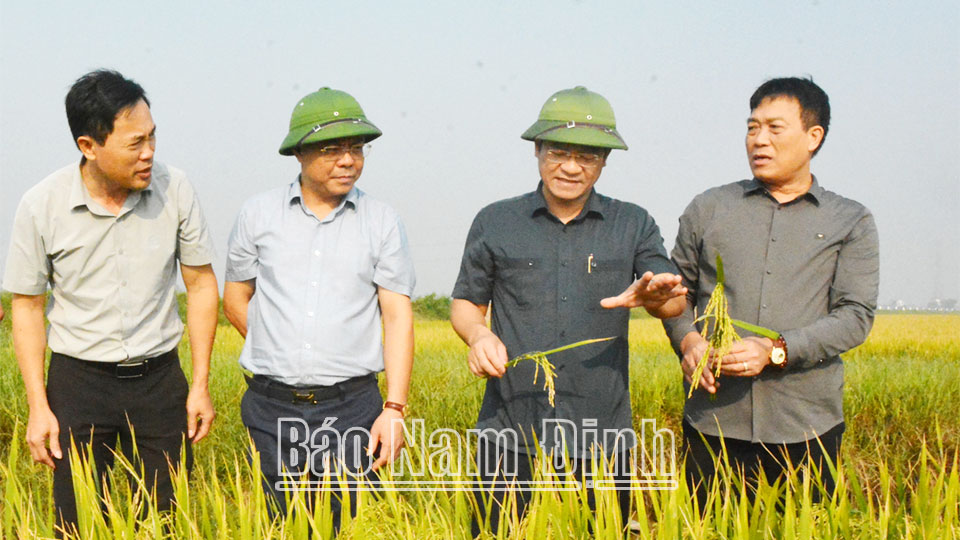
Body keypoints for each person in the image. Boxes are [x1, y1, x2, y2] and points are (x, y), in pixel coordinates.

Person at [450, 86, 686, 535]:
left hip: (601, 435)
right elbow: (466, 303)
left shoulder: (632, 223)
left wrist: (659, 295)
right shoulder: (495, 221)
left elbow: (669, 293)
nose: (572, 167)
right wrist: (478, 335)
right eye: (559, 152)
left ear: (604, 162)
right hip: (510, 431)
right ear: (538, 151)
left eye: (589, 157)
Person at [2, 69, 218, 537]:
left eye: (153, 137)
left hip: (160, 382)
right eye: (135, 143)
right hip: (78, 385)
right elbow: (27, 307)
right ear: (88, 146)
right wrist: (38, 405)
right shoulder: (41, 205)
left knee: (167, 520)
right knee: (76, 521)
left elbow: (201, 285)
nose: (149, 154)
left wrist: (199, 383)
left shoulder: (175, 188)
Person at [662, 77, 879, 503]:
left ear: (813, 136)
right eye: (751, 127)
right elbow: (676, 293)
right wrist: (687, 340)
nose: (758, 140)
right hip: (714, 422)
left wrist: (775, 349)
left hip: (806, 426)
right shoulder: (709, 208)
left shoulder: (850, 220)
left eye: (774, 128)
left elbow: (855, 316)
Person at [222, 87, 415, 531]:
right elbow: (235, 298)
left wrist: (394, 409)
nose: (348, 160)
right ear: (299, 154)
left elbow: (397, 315)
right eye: (332, 149)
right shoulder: (257, 214)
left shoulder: (381, 220)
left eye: (356, 148)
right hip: (271, 407)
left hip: (353, 407)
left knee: (346, 524)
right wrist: (280, 347)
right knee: (278, 523)